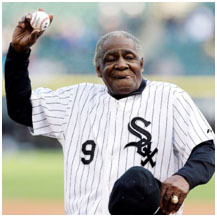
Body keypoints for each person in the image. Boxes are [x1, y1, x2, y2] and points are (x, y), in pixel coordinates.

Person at [5, 9, 215, 215]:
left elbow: (205, 149)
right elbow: (21, 108)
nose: (121, 64)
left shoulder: (170, 98)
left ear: (141, 64)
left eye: (129, 57)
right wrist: (18, 53)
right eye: (111, 58)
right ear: (98, 69)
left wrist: (185, 177)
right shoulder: (75, 100)